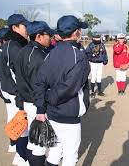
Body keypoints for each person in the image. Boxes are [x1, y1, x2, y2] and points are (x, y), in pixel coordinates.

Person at [33, 15, 90, 165]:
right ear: (76, 32)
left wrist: (41, 106)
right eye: (80, 30)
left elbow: (39, 82)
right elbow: (68, 88)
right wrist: (48, 99)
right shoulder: (79, 56)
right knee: (70, 155)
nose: (81, 33)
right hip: (69, 114)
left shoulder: (50, 52)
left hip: (51, 113)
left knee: (54, 151)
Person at [14, 21, 56, 165]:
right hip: (37, 104)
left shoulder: (22, 51)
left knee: (34, 142)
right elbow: (39, 86)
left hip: (28, 102)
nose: (50, 37)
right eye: (48, 34)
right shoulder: (39, 56)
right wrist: (41, 108)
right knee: (41, 144)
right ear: (38, 36)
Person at [0, 14, 30, 165]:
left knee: (20, 127)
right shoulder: (14, 47)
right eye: (24, 25)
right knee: (23, 129)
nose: (27, 29)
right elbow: (21, 75)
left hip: (12, 94)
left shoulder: (7, 46)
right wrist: (19, 94)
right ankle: (23, 158)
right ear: (15, 28)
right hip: (17, 95)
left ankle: (19, 156)